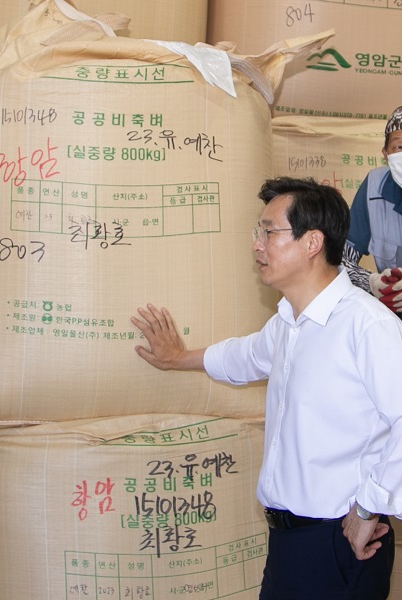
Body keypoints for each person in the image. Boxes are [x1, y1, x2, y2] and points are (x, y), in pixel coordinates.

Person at [131, 177, 402, 599]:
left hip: (338, 543)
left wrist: (371, 505)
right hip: (288, 543)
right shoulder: (289, 323)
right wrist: (175, 357)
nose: (258, 244)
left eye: (268, 231)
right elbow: (242, 357)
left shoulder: (367, 325)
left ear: (312, 243)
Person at [343, 105, 402, 314]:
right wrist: (371, 282)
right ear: (385, 155)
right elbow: (341, 259)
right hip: (392, 315)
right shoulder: (374, 187)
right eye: (399, 147)